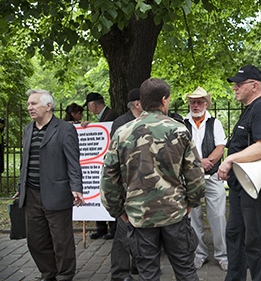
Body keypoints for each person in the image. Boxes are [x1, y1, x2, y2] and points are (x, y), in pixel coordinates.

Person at [100, 78, 205, 280]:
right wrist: (191, 203)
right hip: (174, 213)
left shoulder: (122, 133)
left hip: (140, 216)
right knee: (186, 270)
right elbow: (195, 174)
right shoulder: (179, 130)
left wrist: (118, 211)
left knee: (147, 273)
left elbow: (108, 179)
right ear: (164, 100)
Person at [13, 89, 84, 280]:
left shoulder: (64, 129)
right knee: (35, 241)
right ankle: (48, 273)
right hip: (32, 193)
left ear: (48, 106)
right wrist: (21, 186)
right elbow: (25, 161)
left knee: (62, 241)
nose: (29, 108)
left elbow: (73, 161)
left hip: (57, 193)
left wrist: (76, 187)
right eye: (28, 104)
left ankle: (64, 275)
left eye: (34, 104)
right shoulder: (28, 129)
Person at [218, 65, 261, 280]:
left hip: (256, 189)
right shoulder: (250, 110)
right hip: (241, 187)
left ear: (254, 86)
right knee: (235, 236)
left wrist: (231, 159)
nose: (235, 88)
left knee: (257, 242)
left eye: (239, 84)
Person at [184, 86, 228, 271]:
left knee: (218, 216)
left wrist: (207, 162)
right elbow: (180, 149)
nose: (196, 105)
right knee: (193, 217)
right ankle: (199, 254)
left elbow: (220, 147)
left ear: (206, 103)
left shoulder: (214, 122)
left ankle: (222, 255)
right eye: (193, 102)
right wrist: (197, 163)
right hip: (190, 178)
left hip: (213, 175)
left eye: (199, 101)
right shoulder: (182, 123)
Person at [109, 88, 142, 281]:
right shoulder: (121, 123)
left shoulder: (145, 120)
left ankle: (138, 265)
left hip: (141, 184)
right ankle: (120, 273)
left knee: (141, 230)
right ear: (137, 103)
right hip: (126, 185)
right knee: (123, 230)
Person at [84, 92, 120, 240]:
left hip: (109, 161)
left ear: (93, 105)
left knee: (109, 192)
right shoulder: (104, 117)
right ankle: (102, 227)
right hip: (100, 162)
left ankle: (112, 228)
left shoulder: (111, 116)